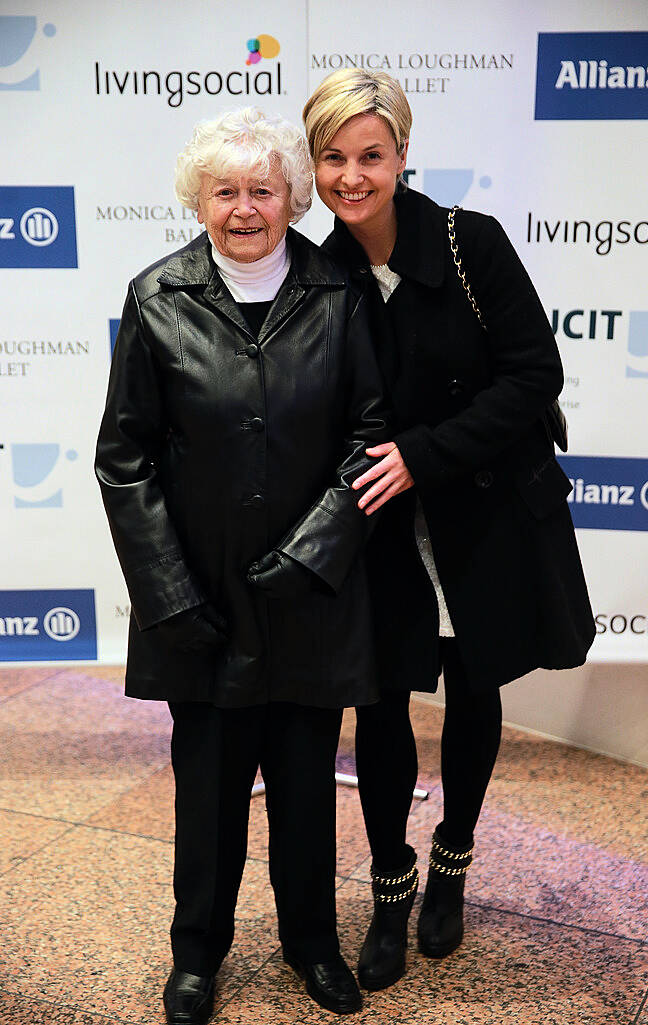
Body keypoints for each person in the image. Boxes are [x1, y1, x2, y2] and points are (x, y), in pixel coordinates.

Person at [95, 107, 389, 1024]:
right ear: (200, 200)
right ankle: (197, 956)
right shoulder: (156, 296)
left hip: (312, 595)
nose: (246, 208)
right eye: (225, 191)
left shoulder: (339, 293)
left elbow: (371, 437)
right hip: (204, 600)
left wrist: (312, 556)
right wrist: (169, 596)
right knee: (210, 793)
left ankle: (311, 943)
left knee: (306, 785)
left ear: (292, 197)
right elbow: (125, 456)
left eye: (263, 189)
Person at [303, 69, 596, 992]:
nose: (352, 177)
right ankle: (391, 885)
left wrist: (424, 455)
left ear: (400, 156)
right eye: (332, 158)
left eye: (370, 157)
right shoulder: (319, 270)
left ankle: (452, 868)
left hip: (479, 515)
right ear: (313, 164)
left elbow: (530, 378)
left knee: (473, 688)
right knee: (380, 700)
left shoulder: (470, 243)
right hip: (383, 530)